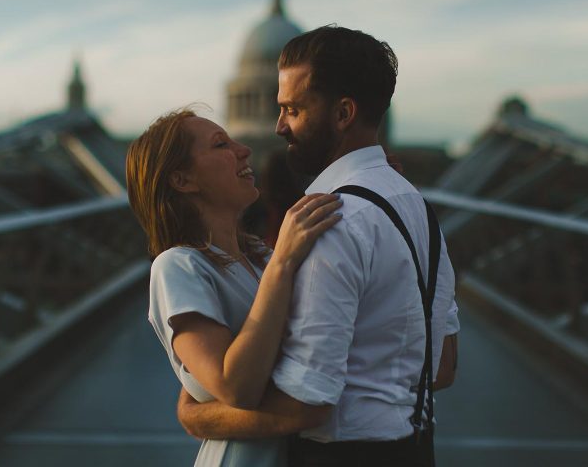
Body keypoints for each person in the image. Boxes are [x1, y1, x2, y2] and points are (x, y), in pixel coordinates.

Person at [176, 26, 460, 466]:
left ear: (343, 112)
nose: (279, 126)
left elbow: (307, 404)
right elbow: (441, 366)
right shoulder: (417, 207)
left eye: (292, 108)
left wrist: (198, 417)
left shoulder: (329, 222)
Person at [125, 109, 344, 466]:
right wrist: (285, 262)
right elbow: (234, 385)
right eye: (220, 144)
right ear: (183, 180)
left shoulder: (258, 258)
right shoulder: (177, 265)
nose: (244, 149)